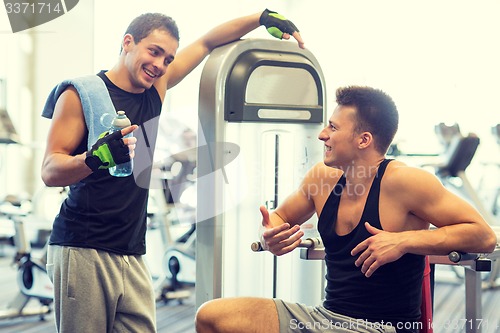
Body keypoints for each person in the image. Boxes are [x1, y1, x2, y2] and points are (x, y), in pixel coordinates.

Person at [40, 9, 304, 333]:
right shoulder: (80, 94)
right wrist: (93, 159)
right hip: (83, 248)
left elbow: (208, 41)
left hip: (131, 250)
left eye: (168, 59)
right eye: (154, 51)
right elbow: (50, 170)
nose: (160, 65)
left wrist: (262, 17)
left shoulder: (156, 88)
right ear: (128, 43)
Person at [194, 86, 497, 333]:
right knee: (213, 316)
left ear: (364, 139)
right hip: (325, 319)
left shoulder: (406, 182)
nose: (322, 134)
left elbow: (483, 236)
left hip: (383, 327)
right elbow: (280, 217)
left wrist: (404, 241)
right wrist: (270, 233)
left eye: (333, 128)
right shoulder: (321, 179)